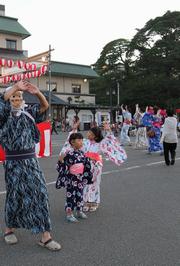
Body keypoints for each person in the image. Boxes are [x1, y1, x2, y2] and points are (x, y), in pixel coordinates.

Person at [0, 80, 61, 251]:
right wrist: (14, 87)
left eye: (18, 97)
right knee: (14, 195)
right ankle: (9, 229)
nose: (16, 100)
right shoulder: (3, 115)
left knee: (40, 193)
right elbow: (1, 101)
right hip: (12, 162)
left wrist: (37, 93)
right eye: (12, 97)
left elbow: (44, 105)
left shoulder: (29, 113)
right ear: (8, 100)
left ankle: (45, 236)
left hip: (31, 161)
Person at [59, 122, 127, 212]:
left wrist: (108, 129)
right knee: (84, 183)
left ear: (95, 136)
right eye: (88, 132)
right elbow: (74, 141)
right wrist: (74, 129)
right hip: (85, 165)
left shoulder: (100, 143)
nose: (88, 134)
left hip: (96, 166)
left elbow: (109, 139)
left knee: (94, 184)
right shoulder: (84, 142)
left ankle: (94, 202)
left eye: (90, 133)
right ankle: (85, 202)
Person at [56, 132, 93, 222]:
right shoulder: (68, 153)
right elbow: (62, 166)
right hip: (71, 179)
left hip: (79, 178)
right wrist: (61, 161)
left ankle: (79, 211)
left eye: (82, 140)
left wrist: (89, 162)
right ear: (72, 142)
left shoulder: (82, 153)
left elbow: (86, 164)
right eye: (79, 140)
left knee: (80, 195)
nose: (81, 142)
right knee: (71, 196)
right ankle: (69, 214)